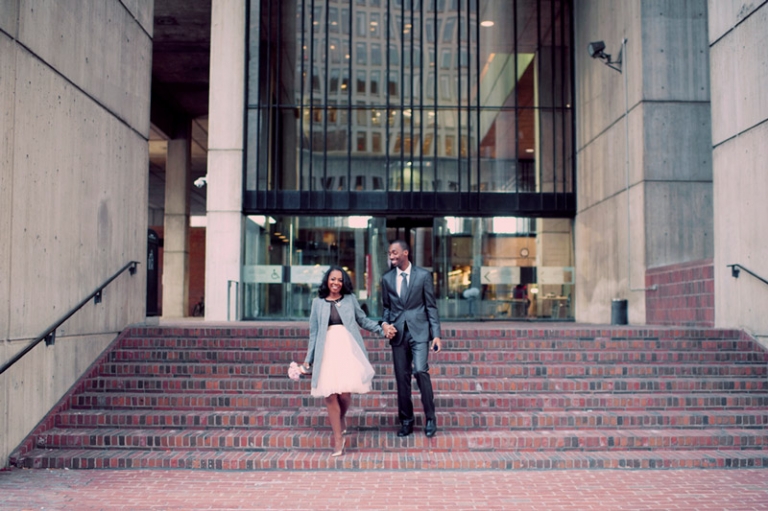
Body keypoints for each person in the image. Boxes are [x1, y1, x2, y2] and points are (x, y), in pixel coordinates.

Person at [301, 265, 395, 456]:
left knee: (344, 393)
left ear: (344, 283)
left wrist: (381, 328)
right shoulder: (317, 302)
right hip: (325, 350)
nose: (336, 283)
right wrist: (307, 360)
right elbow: (314, 333)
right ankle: (338, 439)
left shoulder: (350, 299)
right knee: (329, 394)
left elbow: (363, 320)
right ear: (327, 280)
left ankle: (341, 416)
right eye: (333, 279)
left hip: (346, 349)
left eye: (340, 280)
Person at [380, 240, 442, 438]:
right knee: (402, 378)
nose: (392, 256)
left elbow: (431, 306)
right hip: (398, 333)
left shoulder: (423, 276)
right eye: (390, 253)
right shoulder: (387, 279)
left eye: (395, 252)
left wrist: (437, 335)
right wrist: (385, 324)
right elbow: (387, 307)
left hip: (420, 331)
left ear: (405, 252)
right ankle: (406, 420)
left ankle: (430, 418)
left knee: (421, 370)